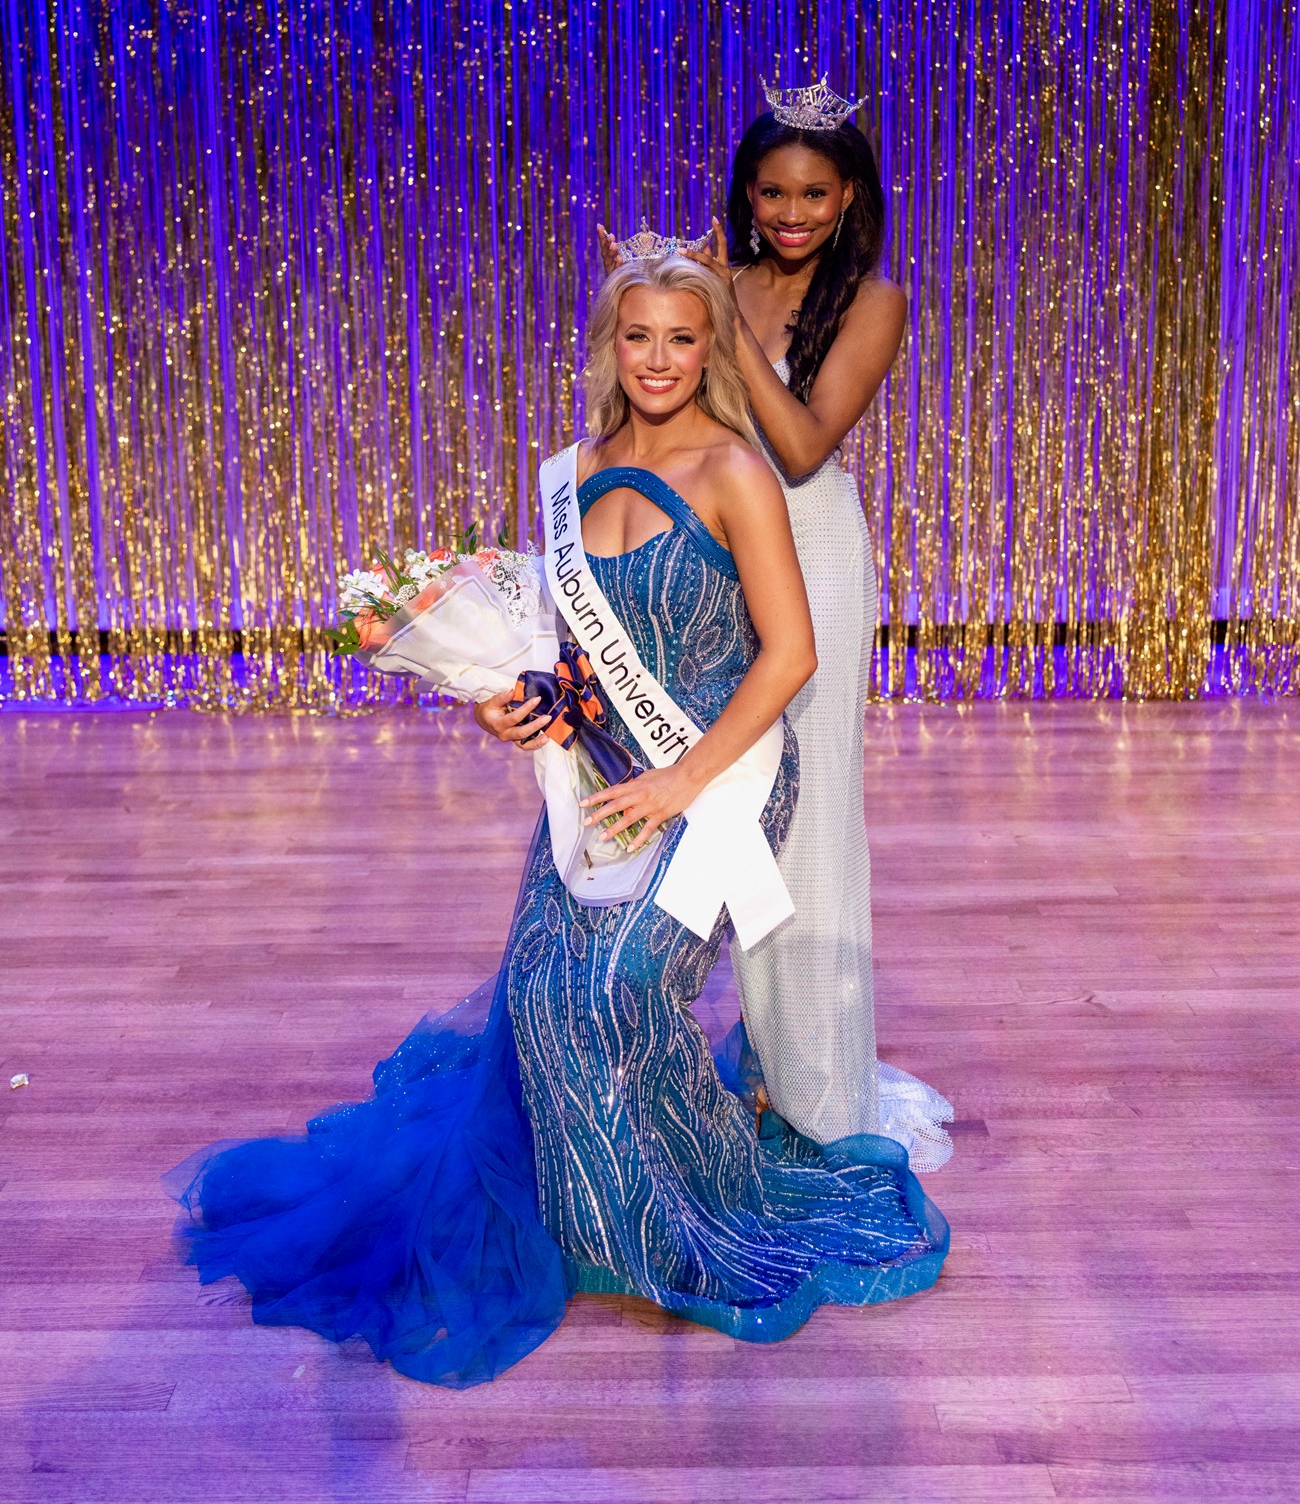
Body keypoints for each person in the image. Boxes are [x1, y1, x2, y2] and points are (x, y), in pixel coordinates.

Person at [165, 249, 948, 1389]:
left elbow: (790, 657)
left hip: (717, 776)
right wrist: (514, 707)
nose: (663, 359)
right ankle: (592, 1221)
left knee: (618, 987)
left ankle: (689, 1206)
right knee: (540, 994)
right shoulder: (569, 473)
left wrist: (683, 784)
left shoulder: (736, 468)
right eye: (643, 337)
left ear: (711, 344)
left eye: (687, 337)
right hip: (598, 771)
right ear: (610, 344)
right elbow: (570, 661)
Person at [598, 76, 953, 1165]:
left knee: (807, 814)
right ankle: (751, 1060)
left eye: (811, 193)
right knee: (720, 800)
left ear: (848, 197)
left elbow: (800, 446)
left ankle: (817, 1085)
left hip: (813, 547)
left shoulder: (874, 302)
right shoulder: (720, 281)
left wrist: (724, 316)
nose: (789, 213)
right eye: (769, 193)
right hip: (714, 545)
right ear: (745, 194)